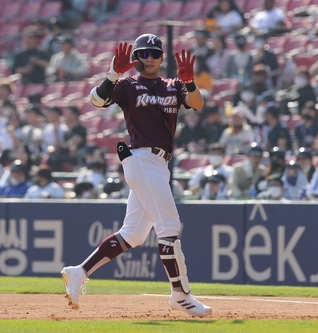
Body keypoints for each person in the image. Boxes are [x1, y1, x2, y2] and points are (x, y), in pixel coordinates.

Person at [60, 34, 211, 317]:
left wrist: (190, 81)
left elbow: (198, 104)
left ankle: (79, 271)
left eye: (155, 53)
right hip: (141, 157)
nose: (149, 58)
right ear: (136, 57)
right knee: (168, 226)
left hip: (159, 163)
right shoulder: (127, 85)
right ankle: (181, 295)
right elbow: (96, 100)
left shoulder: (173, 85)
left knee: (134, 234)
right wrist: (112, 75)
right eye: (143, 53)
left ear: (162, 57)